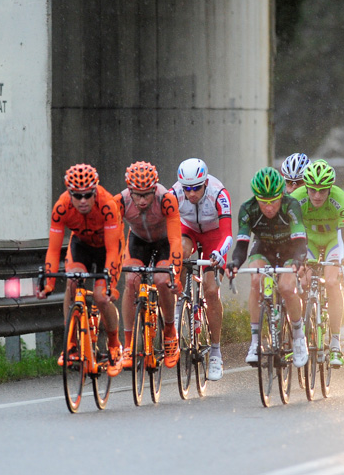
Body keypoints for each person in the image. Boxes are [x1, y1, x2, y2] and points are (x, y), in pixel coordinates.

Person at [37, 164, 125, 377]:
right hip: (82, 245)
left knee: (101, 297)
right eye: (78, 196)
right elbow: (53, 249)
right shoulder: (61, 208)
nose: (83, 200)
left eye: (88, 195)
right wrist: (48, 284)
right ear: (70, 194)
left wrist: (110, 285)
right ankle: (71, 344)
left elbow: (113, 250)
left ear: (95, 191)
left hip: (108, 248)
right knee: (72, 281)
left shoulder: (107, 205)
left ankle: (114, 344)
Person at [225, 167, 309, 368]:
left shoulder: (292, 205)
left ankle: (299, 337)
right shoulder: (248, 209)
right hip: (264, 247)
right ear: (256, 198)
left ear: (281, 195)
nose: (269, 207)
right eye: (263, 201)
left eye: (273, 201)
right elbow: (242, 246)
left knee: (287, 287)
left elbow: (300, 243)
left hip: (290, 249)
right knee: (256, 280)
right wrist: (235, 263)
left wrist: (298, 260)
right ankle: (255, 343)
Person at [115, 161, 183, 369]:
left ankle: (170, 333)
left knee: (162, 280)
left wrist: (176, 276)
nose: (143, 200)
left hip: (163, 241)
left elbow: (176, 239)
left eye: (147, 194)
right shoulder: (119, 201)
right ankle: (128, 345)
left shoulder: (166, 199)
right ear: (130, 190)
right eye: (137, 194)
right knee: (131, 281)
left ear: (155, 189)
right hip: (138, 241)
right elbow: (114, 238)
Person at [171, 158, 233, 381]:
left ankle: (216, 352)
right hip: (188, 229)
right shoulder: (174, 193)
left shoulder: (219, 194)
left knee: (210, 290)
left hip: (214, 235)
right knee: (179, 254)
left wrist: (218, 253)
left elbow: (227, 234)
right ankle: (178, 306)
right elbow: (164, 226)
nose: (191, 193)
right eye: (187, 189)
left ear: (205, 182)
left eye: (196, 188)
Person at [290, 159, 344, 368]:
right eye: (313, 190)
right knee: (304, 280)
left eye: (323, 191)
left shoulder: (340, 199)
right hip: (309, 240)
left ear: (330, 189)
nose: (317, 196)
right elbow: (290, 233)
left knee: (333, 282)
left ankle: (335, 344)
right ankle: (304, 327)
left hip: (333, 240)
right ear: (306, 187)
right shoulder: (296, 198)